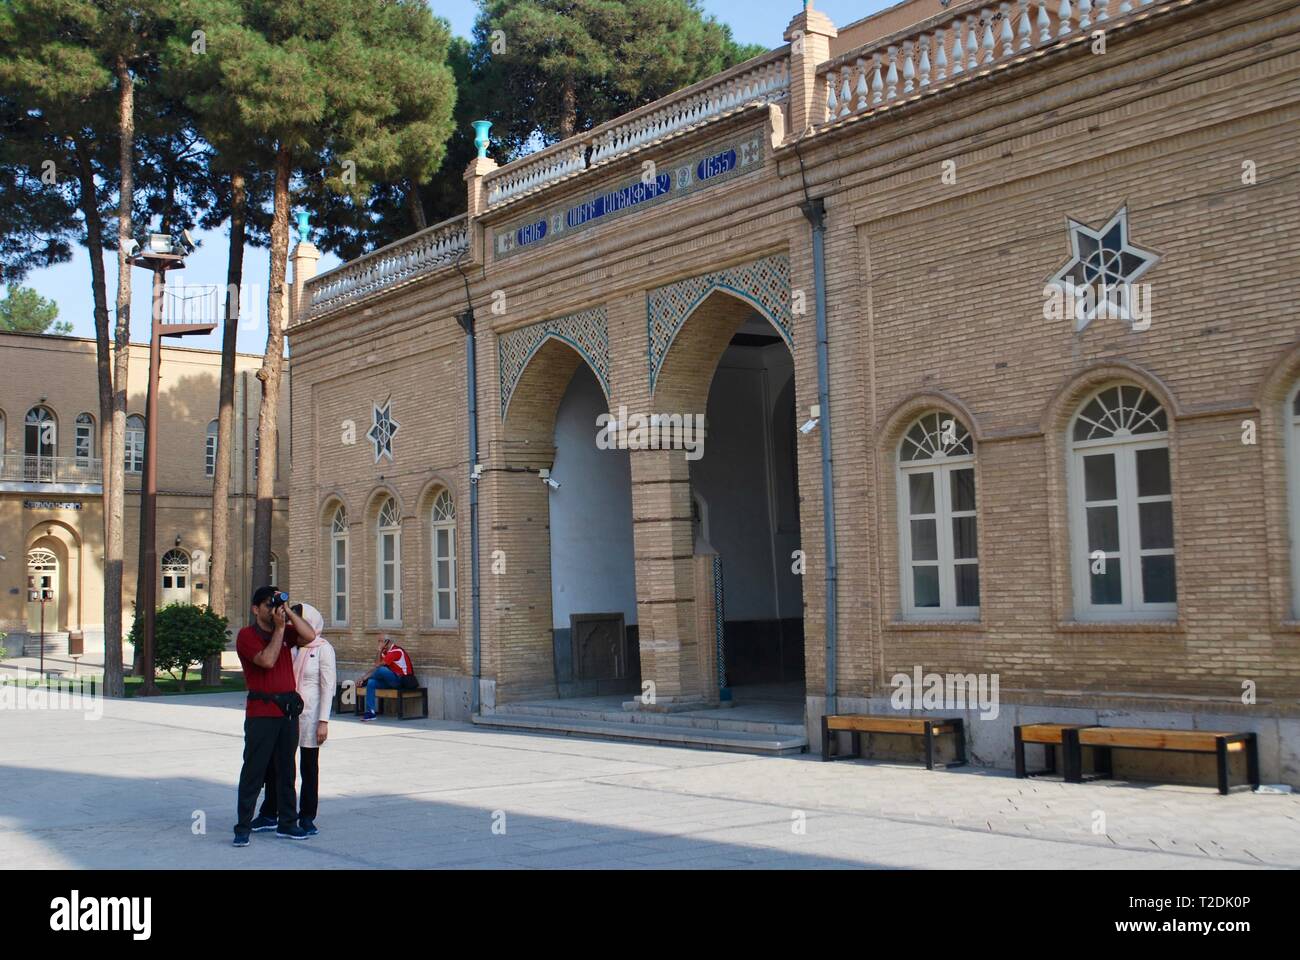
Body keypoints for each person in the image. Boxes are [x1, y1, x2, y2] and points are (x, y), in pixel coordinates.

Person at [233, 586, 316, 846]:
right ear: (255, 609)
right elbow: (267, 661)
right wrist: (279, 630)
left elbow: (310, 635)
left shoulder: (285, 630)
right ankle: (243, 827)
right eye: (269, 605)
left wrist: (288, 611)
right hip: (261, 713)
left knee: (287, 771)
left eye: (276, 605)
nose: (273, 610)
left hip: (286, 712)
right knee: (254, 771)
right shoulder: (247, 635)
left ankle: (287, 823)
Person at [253, 603, 335, 835]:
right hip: (287, 713)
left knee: (309, 767)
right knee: (278, 765)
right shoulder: (289, 645)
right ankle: (271, 812)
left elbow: (327, 687)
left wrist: (323, 721)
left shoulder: (323, 649)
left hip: (310, 716)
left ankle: (307, 816)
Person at [356, 634, 415, 721]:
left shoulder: (396, 651)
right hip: (389, 681)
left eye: (381, 641)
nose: (379, 643)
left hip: (400, 681)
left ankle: (365, 681)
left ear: (388, 642)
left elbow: (379, 666)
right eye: (378, 641)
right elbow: (376, 665)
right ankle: (371, 712)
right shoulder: (384, 652)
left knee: (382, 670)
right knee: (371, 683)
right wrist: (363, 677)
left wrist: (364, 678)